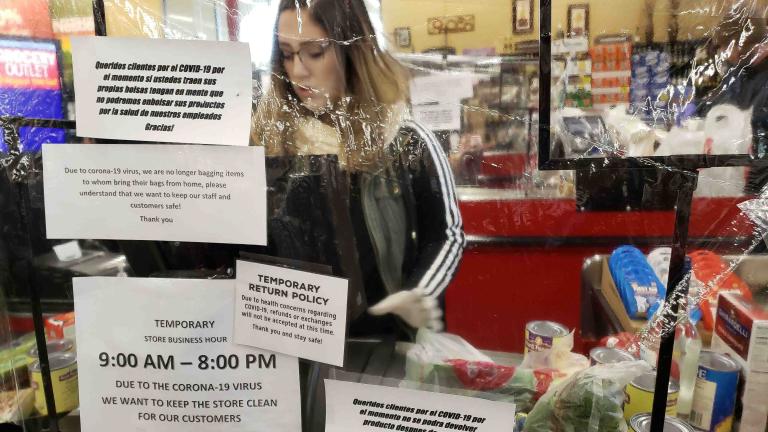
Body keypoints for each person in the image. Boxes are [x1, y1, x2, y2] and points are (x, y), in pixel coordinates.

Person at [252, 0, 465, 337]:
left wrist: (420, 290)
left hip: (384, 345)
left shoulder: (404, 141)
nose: (298, 71)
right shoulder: (272, 144)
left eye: (315, 52)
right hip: (296, 345)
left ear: (352, 50)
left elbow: (447, 233)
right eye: (288, 54)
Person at [698, 1, 768, 193]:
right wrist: (698, 108)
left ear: (741, 43)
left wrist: (749, 195)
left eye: (725, 47)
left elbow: (762, 150)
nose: (724, 55)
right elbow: (725, 99)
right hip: (741, 179)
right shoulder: (743, 71)